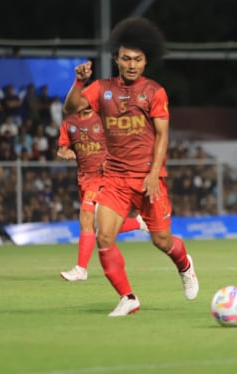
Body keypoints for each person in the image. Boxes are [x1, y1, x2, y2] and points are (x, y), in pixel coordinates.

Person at [63, 16, 199, 316]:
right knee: (104, 236)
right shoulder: (101, 89)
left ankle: (185, 264)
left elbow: (163, 135)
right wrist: (79, 81)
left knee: (161, 240)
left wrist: (153, 174)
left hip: (149, 177)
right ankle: (128, 298)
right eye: (126, 58)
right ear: (116, 58)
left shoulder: (154, 92)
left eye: (138, 59)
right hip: (114, 178)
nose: (132, 64)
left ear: (146, 61)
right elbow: (70, 108)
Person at [57, 107, 149, 282]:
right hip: (84, 179)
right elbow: (61, 149)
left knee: (85, 217)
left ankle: (81, 269)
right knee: (99, 226)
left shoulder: (104, 119)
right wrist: (64, 153)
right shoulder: (69, 123)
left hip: (103, 178)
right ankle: (138, 223)